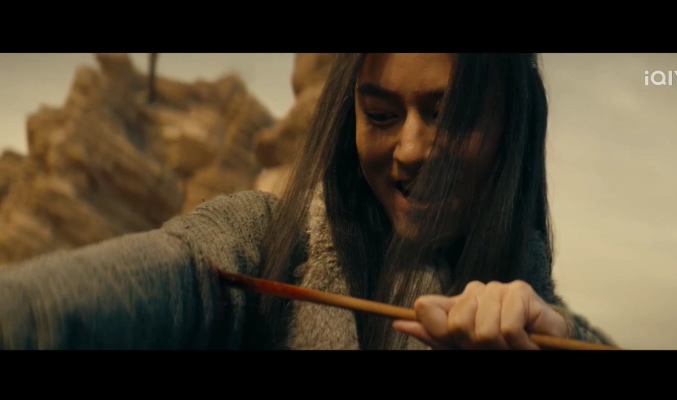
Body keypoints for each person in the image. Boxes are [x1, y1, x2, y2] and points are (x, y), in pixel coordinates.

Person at [0, 53, 615, 350]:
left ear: (512, 127)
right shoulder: (263, 241)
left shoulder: (549, 327)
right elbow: (169, 274)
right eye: (380, 115)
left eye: (446, 114)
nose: (409, 149)